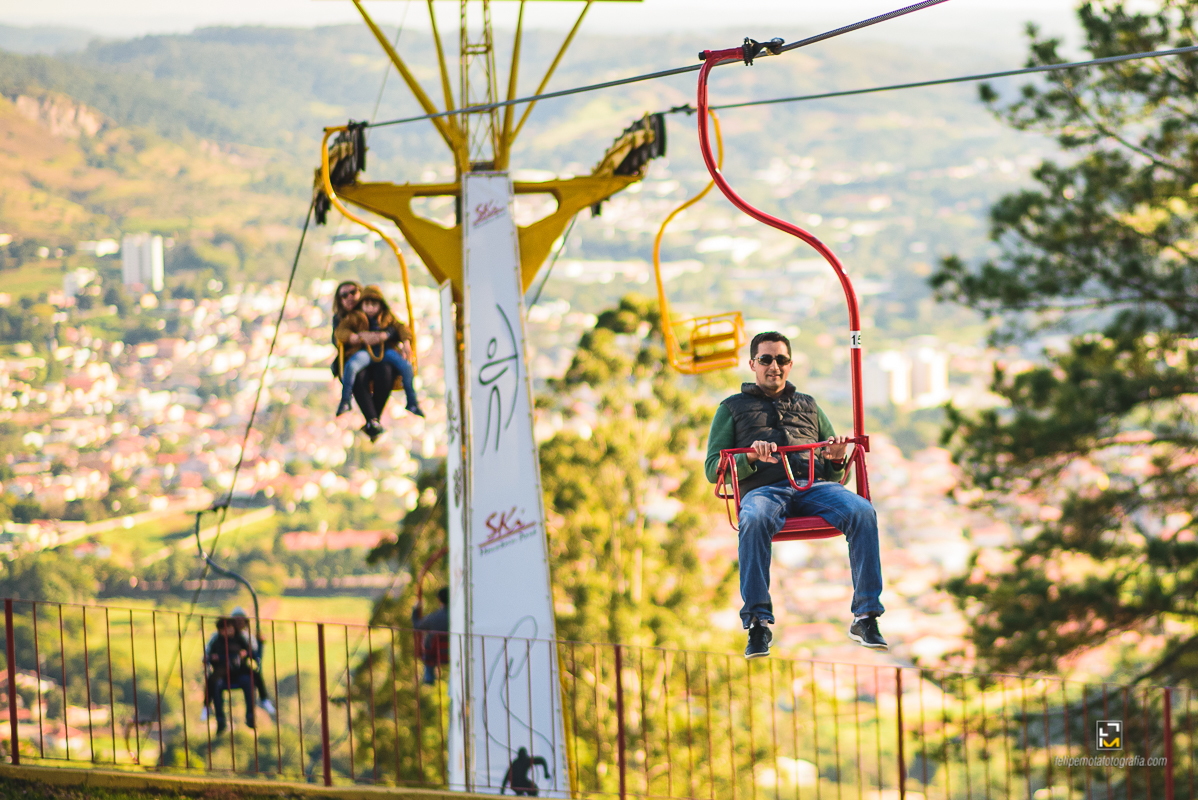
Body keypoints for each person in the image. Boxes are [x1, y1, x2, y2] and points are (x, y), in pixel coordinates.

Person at [705, 331, 886, 659]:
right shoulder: (731, 409)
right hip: (765, 490)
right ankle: (758, 622)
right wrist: (749, 458)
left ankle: (866, 615)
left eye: (781, 359)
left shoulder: (809, 405)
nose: (774, 366)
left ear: (790, 365)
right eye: (766, 359)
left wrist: (834, 459)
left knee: (861, 511)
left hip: (814, 486)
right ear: (752, 364)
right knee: (755, 517)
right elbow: (713, 467)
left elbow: (834, 466)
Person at [335, 285, 423, 440]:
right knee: (357, 373)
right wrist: (357, 337)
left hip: (383, 355)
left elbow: (399, 327)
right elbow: (340, 333)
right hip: (363, 354)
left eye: (353, 293)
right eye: (344, 295)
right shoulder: (350, 318)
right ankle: (350, 403)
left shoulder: (386, 317)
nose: (349, 297)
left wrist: (400, 340)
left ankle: (407, 402)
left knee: (388, 371)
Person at [203, 618, 256, 735]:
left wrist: (245, 654)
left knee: (248, 681)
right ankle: (220, 719)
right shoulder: (216, 642)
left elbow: (251, 652)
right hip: (222, 675)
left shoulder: (240, 639)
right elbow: (209, 656)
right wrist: (214, 658)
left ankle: (250, 716)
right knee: (216, 685)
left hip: (239, 673)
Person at [229, 607, 276, 718]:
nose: (239, 624)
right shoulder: (224, 635)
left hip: (241, 669)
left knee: (250, 679)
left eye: (242, 621)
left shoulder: (247, 637)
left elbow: (256, 656)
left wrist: (260, 644)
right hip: (226, 668)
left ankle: (252, 714)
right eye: (236, 621)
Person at [412, 587, 449, 685]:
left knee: (429, 641)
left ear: (439, 600)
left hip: (434, 654)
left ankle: (429, 677)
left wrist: (415, 610)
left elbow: (417, 626)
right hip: (450, 652)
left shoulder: (434, 618)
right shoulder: (455, 616)